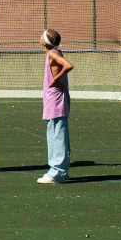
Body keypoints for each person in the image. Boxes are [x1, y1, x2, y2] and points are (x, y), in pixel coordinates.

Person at [37, 29, 74, 184]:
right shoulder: (55, 52)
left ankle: (56, 173)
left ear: (45, 41)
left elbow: (69, 66)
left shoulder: (52, 53)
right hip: (57, 98)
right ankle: (62, 171)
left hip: (56, 99)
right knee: (58, 134)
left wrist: (55, 79)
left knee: (56, 135)